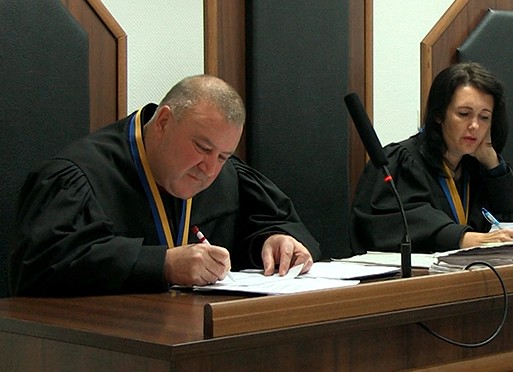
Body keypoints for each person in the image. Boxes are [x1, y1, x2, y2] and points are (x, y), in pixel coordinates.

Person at [9, 75, 320, 296]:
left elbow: (277, 224)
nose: (210, 169)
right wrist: (163, 264)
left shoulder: (228, 176)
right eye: (202, 147)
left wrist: (275, 241)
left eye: (223, 156)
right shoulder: (79, 177)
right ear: (163, 122)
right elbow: (40, 268)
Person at [351, 62, 513, 253]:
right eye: (464, 114)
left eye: (484, 117)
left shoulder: (477, 168)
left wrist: (493, 165)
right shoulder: (402, 162)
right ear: (439, 115)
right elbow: (394, 224)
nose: (475, 125)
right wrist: (463, 238)